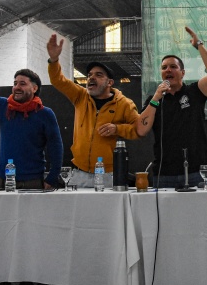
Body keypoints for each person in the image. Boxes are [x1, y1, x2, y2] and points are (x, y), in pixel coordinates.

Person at [47, 34, 140, 187]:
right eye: (89, 75)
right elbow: (58, 80)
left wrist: (117, 128)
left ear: (110, 82)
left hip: (109, 174)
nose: (91, 78)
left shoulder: (124, 104)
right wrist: (54, 60)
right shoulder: (80, 96)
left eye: (98, 75)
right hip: (79, 173)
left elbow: (138, 129)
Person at [136, 26, 207, 188]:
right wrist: (156, 98)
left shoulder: (194, 92)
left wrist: (199, 45)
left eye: (173, 67)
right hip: (164, 173)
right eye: (164, 68)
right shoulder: (154, 100)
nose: (168, 70)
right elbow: (141, 130)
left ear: (182, 73)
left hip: (196, 171)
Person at [0, 56, 61, 189]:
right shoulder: (3, 106)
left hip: (32, 182)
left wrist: (52, 178)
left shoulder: (45, 114)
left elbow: (55, 147)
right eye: (15, 83)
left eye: (22, 83)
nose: (17, 87)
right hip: (2, 181)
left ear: (34, 88)